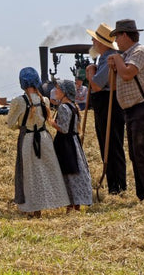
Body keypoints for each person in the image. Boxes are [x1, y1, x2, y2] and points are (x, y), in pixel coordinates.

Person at [107, 19, 144, 201]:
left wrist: (117, 60)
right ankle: (143, 195)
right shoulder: (126, 55)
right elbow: (117, 78)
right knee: (136, 154)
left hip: (143, 107)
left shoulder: (140, 51)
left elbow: (128, 73)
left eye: (117, 36)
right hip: (131, 110)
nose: (116, 41)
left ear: (124, 35)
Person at [8, 67, 70, 218]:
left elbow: (10, 124)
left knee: (29, 173)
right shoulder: (45, 100)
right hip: (44, 138)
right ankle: (50, 202)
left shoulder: (18, 101)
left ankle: (32, 208)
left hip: (28, 138)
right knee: (47, 171)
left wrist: (20, 127)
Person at [85, 23, 127, 195]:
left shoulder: (109, 57)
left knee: (110, 144)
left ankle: (116, 186)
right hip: (105, 103)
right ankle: (116, 184)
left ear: (101, 42)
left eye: (94, 40)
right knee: (109, 144)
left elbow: (96, 85)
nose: (92, 42)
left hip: (108, 104)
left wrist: (89, 72)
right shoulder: (104, 58)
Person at [50, 79, 93, 211]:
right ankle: (76, 205)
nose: (55, 91)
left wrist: (50, 121)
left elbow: (63, 128)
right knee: (74, 171)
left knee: (67, 172)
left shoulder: (63, 107)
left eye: (58, 89)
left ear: (65, 92)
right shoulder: (74, 107)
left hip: (65, 143)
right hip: (73, 142)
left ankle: (70, 205)